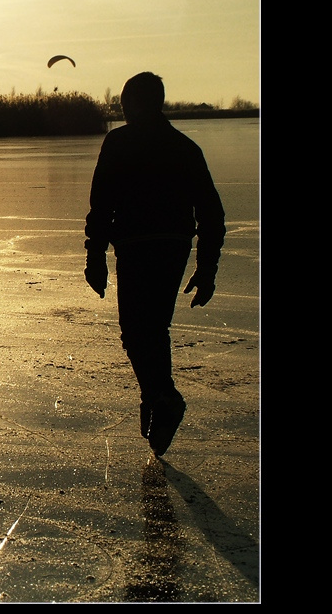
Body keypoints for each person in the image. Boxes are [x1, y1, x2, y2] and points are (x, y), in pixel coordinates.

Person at [84, 72, 226, 458]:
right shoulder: (185, 147)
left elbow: (101, 205)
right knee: (153, 328)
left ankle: (162, 397)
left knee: (135, 330)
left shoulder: (119, 142)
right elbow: (212, 214)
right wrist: (206, 267)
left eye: (123, 102)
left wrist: (94, 256)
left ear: (132, 103)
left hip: (136, 247)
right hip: (173, 248)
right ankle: (157, 400)